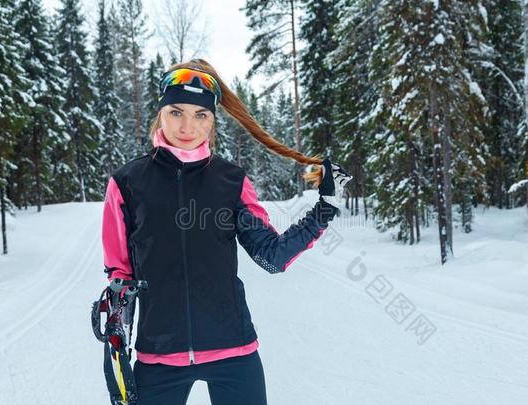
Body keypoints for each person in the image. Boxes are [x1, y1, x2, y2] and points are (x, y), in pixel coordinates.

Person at [101, 58, 352, 405]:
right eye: (176, 112)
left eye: (200, 115)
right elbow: (120, 272)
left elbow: (272, 257)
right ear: (160, 113)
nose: (187, 126)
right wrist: (116, 332)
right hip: (159, 356)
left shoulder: (231, 181)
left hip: (233, 351)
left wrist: (324, 209)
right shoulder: (126, 183)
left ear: (212, 122)